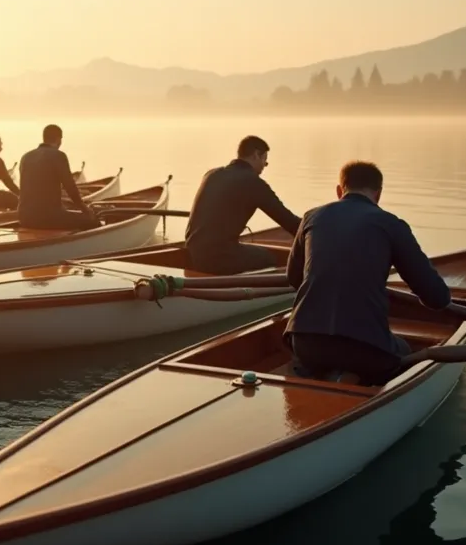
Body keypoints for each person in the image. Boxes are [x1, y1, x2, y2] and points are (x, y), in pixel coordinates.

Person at [284, 161, 452, 385]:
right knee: (404, 350)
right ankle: (348, 377)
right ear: (378, 194)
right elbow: (437, 298)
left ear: (339, 190)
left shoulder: (311, 217)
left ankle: (333, 375)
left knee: (330, 354)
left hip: (304, 343)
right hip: (364, 348)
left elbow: (294, 278)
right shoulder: (391, 224)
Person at [185, 135, 302, 275]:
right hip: (218, 257)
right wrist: (316, 233)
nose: (263, 167)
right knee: (270, 257)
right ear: (256, 155)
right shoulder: (253, 183)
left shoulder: (212, 174)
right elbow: (287, 220)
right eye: (265, 161)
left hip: (193, 252)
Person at [17, 124, 99, 231]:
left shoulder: (26, 157)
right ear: (59, 139)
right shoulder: (59, 155)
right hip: (48, 217)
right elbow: (70, 188)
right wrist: (85, 209)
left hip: (24, 217)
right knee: (92, 221)